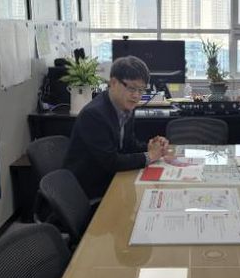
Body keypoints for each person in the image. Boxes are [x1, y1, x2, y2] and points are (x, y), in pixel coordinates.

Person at [64, 56, 168, 200]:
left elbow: (128, 145)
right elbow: (111, 162)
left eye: (141, 90)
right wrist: (149, 156)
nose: (136, 96)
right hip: (89, 192)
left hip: (113, 181)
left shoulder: (124, 106)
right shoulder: (94, 115)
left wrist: (150, 147)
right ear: (113, 83)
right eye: (131, 88)